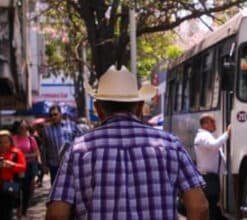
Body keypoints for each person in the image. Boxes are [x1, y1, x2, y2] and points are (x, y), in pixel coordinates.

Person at [46, 65, 208, 220]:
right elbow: (199, 208)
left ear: (98, 109)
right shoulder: (170, 145)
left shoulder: (78, 150)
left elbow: (57, 215)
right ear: (139, 107)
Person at [194, 114, 231, 220]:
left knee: (212, 206)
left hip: (210, 177)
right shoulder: (203, 136)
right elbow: (214, 145)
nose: (215, 125)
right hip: (209, 179)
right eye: (212, 122)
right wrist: (227, 134)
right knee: (212, 206)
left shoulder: (203, 135)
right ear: (205, 124)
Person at [41, 104, 81, 184]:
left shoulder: (71, 125)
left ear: (60, 114)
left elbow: (79, 142)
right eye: (51, 115)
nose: (53, 117)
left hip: (70, 163)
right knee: (56, 188)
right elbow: (44, 148)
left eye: (55, 114)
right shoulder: (46, 130)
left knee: (71, 186)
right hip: (54, 165)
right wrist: (44, 165)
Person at [11, 120, 42, 216]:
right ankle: (18, 208)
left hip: (29, 166)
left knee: (27, 190)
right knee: (16, 188)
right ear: (17, 128)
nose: (23, 129)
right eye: (21, 127)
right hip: (16, 166)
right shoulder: (13, 139)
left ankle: (24, 209)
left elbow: (36, 152)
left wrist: (38, 161)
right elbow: (12, 152)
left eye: (25, 127)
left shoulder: (31, 139)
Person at [0, 130, 26, 220]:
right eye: (0, 142)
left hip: (11, 183)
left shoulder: (16, 152)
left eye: (5, 142)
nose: (3, 145)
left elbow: (23, 167)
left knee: (8, 209)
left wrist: (11, 165)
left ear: (10, 142)